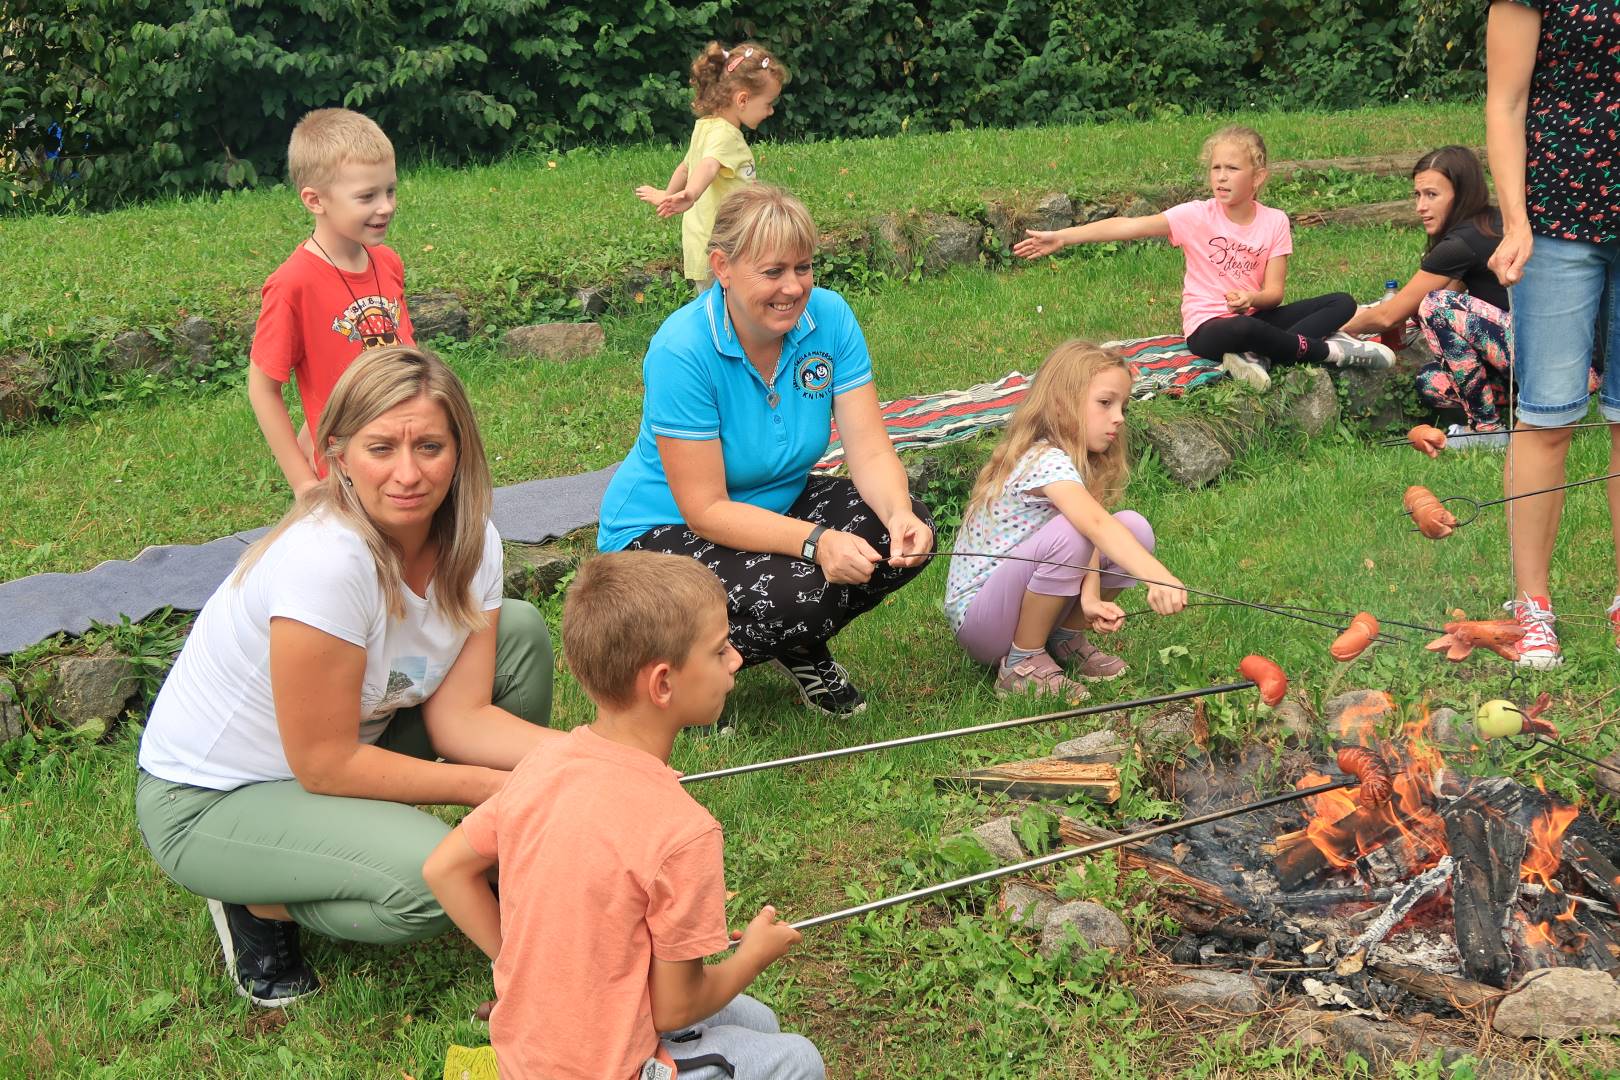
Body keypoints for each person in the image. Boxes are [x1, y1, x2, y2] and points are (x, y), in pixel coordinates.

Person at [135, 347, 556, 1006]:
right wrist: (498, 789)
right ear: (338, 454)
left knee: (518, 633)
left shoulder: (474, 541)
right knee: (432, 886)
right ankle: (256, 901)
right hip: (213, 799)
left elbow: (462, 719)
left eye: (430, 446)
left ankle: (502, 862)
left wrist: (590, 760)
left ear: (460, 450)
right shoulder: (326, 562)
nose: (408, 473)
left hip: (357, 739)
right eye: (381, 448)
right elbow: (325, 764)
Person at [424, 551, 824, 1080]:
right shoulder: (683, 832)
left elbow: (445, 868)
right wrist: (753, 955)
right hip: (605, 1067)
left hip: (531, 1047)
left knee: (757, 1019)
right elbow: (675, 1008)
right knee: (798, 1059)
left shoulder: (542, 763)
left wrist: (521, 967)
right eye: (719, 650)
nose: (735, 660)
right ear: (662, 684)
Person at [597, 185, 934, 717]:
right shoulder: (682, 349)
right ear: (722, 268)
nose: (793, 288)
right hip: (661, 531)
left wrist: (897, 515)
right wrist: (816, 542)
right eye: (773, 271)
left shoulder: (830, 319)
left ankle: (796, 642)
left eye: (803, 267)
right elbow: (705, 509)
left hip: (773, 505)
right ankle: (682, 680)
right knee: (805, 590)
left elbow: (869, 451)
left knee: (906, 528)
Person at [1015, 124, 1395, 392]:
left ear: (1258, 177)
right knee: (1243, 330)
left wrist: (1251, 298)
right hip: (1209, 328)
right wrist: (1063, 237)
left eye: (1232, 168)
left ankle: (1260, 355)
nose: (1221, 177)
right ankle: (1329, 351)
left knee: (1342, 303)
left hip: (1255, 316)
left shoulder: (1275, 221)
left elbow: (1274, 294)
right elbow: (1128, 226)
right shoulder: (1196, 215)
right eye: (1216, 168)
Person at [1486, 0, 1620, 668]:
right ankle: (1532, 606)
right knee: (1548, 417)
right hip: (1558, 222)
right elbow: (1506, 103)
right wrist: (1516, 222)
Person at [945, 342, 1188, 701]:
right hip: (982, 624)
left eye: (1123, 406)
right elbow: (1091, 527)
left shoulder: (1071, 462)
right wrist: (1158, 576)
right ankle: (1022, 664)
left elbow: (1088, 538)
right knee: (1085, 529)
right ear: (1062, 403)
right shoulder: (1044, 459)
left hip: (1015, 608)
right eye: (1105, 403)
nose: (1119, 417)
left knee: (1134, 528)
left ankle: (1064, 639)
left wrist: (1090, 599)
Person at [248, 108, 413, 495]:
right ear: (315, 200)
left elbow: (402, 356)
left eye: (390, 190)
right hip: (347, 480)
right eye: (367, 196)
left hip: (405, 456)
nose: (386, 206)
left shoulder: (388, 262)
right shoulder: (293, 285)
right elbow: (262, 389)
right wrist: (304, 482)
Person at [1340, 146, 1512, 448]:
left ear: (1461, 194)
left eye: (1432, 195)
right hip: (1534, 361)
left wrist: (1335, 326)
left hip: (1546, 360)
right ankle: (1518, 411)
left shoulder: (1462, 242)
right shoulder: (1488, 224)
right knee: (1431, 383)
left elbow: (1389, 315)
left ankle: (1487, 431)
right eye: (1417, 195)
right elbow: (1440, 301)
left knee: (1435, 305)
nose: (1420, 206)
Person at [636, 42, 787, 289]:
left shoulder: (705, 126)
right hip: (724, 247)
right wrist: (691, 194)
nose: (770, 111)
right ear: (742, 100)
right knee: (726, 306)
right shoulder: (726, 135)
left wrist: (668, 194)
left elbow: (686, 167)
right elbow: (708, 166)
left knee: (717, 304)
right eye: (768, 104)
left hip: (707, 242)